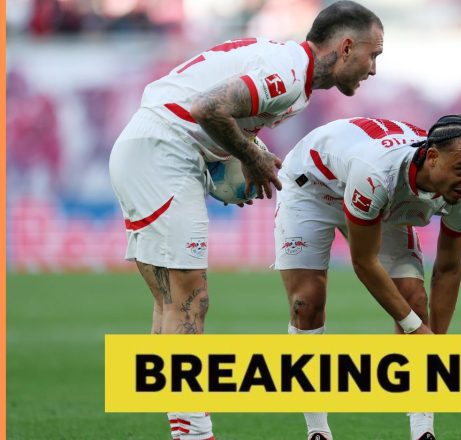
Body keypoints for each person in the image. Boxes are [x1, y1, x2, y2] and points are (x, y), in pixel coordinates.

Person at [107, 2, 383, 439]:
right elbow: (207, 107)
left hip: (150, 148)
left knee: (171, 300)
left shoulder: (290, 69)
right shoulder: (289, 75)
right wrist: (251, 156)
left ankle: (184, 428)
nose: (373, 68)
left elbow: (209, 109)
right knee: (190, 297)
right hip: (162, 152)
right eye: (373, 55)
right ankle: (194, 432)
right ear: (347, 47)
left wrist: (235, 159)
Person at [274, 115, 461, 440]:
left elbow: (448, 269)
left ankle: (423, 429)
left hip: (379, 196)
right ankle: (317, 431)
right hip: (314, 187)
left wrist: (434, 342)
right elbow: (363, 261)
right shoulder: (376, 174)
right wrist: (416, 329)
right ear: (432, 157)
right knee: (306, 302)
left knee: (413, 298)